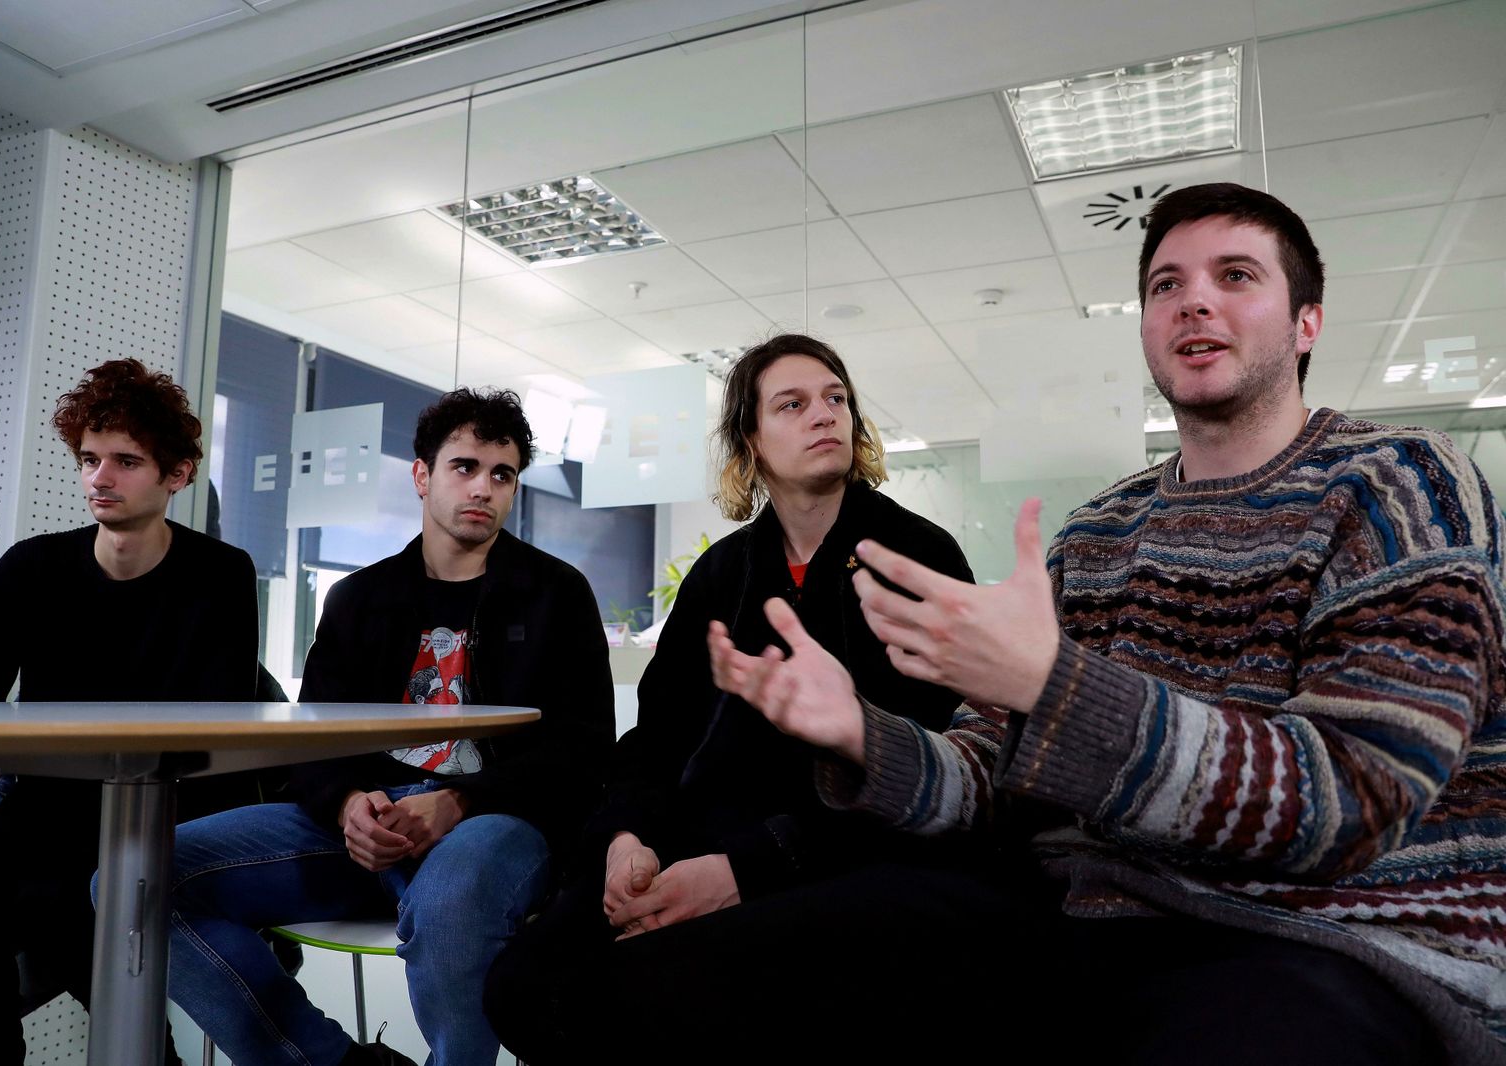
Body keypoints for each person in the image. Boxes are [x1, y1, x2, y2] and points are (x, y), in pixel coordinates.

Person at [707, 183, 1506, 1063]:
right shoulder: (1097, 533)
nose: (1194, 299)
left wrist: (1057, 690)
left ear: (1306, 323)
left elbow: (1354, 796)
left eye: (1235, 275)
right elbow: (991, 783)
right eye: (1166, 286)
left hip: (1329, 943)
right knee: (688, 983)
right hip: (1081, 919)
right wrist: (866, 735)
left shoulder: (1400, 483)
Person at [484, 333, 977, 1062]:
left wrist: (747, 868)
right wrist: (624, 841)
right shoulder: (722, 575)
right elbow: (656, 739)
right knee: (523, 986)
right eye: (794, 403)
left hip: (844, 855)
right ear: (751, 438)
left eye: (837, 399)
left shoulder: (916, 557)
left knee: (652, 990)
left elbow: (938, 767)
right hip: (695, 839)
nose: (825, 415)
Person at [164, 387, 614, 1066]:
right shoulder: (359, 599)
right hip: (363, 826)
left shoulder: (557, 593)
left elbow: (585, 751)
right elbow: (309, 745)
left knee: (454, 899)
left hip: (497, 823)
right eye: (464, 467)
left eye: (502, 474)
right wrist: (347, 803)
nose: (484, 488)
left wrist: (462, 800)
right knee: (138, 879)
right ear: (421, 474)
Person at [0, 358, 260, 1066]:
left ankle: (151, 1055)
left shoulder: (221, 576)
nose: (101, 477)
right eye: (91, 459)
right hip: (45, 810)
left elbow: (219, 736)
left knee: (84, 919)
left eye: (127, 461)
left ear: (177, 475)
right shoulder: (31, 569)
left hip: (167, 813)